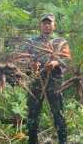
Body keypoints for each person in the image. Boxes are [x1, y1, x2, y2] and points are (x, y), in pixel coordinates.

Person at [25, 13, 70, 144]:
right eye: (44, 23)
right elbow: (24, 59)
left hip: (54, 82)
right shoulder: (32, 41)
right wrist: (31, 65)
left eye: (49, 23)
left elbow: (67, 59)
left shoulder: (61, 41)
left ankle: (63, 141)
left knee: (58, 113)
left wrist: (55, 63)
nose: (47, 25)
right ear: (40, 25)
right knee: (33, 114)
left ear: (54, 25)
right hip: (36, 82)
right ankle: (32, 141)